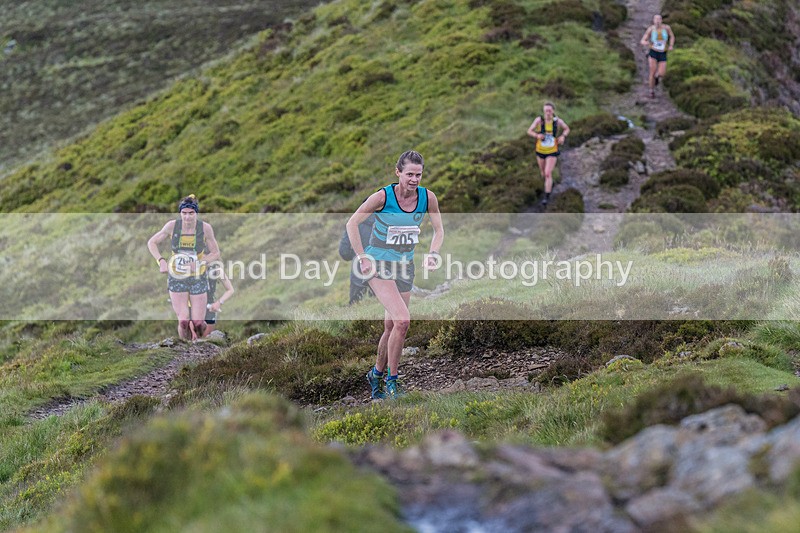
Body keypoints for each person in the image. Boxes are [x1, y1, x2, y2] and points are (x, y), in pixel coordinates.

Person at [346, 150, 444, 399]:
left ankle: (376, 374)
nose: (414, 179)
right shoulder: (382, 196)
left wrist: (433, 253)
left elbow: (439, 229)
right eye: (409, 174)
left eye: (418, 175)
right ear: (398, 172)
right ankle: (393, 381)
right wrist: (362, 256)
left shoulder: (427, 197)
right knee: (403, 321)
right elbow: (352, 223)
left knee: (391, 326)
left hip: (405, 266)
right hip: (378, 265)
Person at [147, 195, 221, 340]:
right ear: (180, 213)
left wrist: (201, 262)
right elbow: (152, 242)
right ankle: (185, 350)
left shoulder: (205, 228)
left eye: (191, 213)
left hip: (198, 277)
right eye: (184, 213)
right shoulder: (172, 226)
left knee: (198, 323)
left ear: (196, 213)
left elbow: (216, 253)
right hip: (177, 276)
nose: (187, 217)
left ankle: (201, 342)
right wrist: (161, 260)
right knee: (183, 321)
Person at [527, 102, 570, 206]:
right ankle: (549, 185)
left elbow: (567, 129)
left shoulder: (558, 121)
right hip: (540, 151)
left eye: (550, 110)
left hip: (552, 151)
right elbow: (529, 131)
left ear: (553, 111)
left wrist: (563, 136)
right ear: (543, 111)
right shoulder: (539, 120)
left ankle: (546, 197)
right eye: (546, 110)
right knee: (543, 173)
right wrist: (537, 136)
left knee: (547, 173)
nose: (548, 113)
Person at [338, 213, 376, 304]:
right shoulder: (387, 221)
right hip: (383, 268)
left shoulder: (353, 222)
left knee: (356, 303)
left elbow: (344, 251)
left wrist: (356, 255)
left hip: (359, 269)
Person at [189, 265, 234, 339]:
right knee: (191, 339)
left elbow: (230, 290)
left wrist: (219, 303)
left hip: (210, 306)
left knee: (206, 339)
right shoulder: (193, 267)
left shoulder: (217, 269)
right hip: (193, 305)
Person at [640, 14, 675, 98]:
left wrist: (671, 45)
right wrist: (647, 42)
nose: (657, 21)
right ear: (653, 21)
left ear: (661, 20)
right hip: (653, 52)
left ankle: (657, 77)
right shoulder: (651, 29)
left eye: (659, 19)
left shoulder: (666, 28)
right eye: (656, 19)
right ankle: (651, 90)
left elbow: (672, 36)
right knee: (652, 71)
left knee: (662, 73)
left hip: (663, 52)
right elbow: (642, 40)